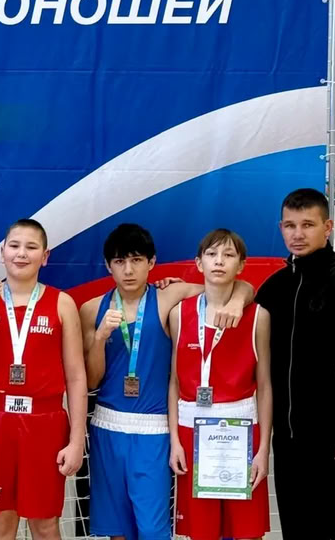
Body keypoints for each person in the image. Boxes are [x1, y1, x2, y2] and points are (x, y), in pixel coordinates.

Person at [78, 223, 254, 540]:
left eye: (136, 260)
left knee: (152, 529)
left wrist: (237, 301)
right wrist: (101, 337)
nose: (128, 270)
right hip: (107, 427)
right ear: (108, 265)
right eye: (119, 261)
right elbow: (91, 380)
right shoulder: (91, 309)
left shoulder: (169, 296)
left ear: (152, 262)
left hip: (154, 429)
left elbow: (231, 283)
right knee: (117, 530)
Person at [255, 188, 335, 540]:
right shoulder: (275, 288)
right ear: (281, 228)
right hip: (289, 443)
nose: (297, 234)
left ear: (327, 227)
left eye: (308, 225)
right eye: (290, 225)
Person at [0, 219, 87, 540]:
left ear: (45, 256)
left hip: (45, 421)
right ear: (2, 251)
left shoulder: (62, 303)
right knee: (0, 522)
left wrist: (76, 440)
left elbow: (76, 376)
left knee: (45, 523)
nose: (21, 254)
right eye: (14, 246)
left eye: (31, 247)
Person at [168, 229, 272, 540]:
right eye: (212, 254)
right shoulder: (178, 313)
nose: (219, 261)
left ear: (241, 265)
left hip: (242, 431)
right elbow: (174, 382)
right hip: (192, 431)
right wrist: (175, 441)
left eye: (228, 255)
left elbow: (265, 385)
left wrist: (263, 450)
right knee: (201, 533)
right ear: (198, 263)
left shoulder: (258, 316)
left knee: (248, 533)